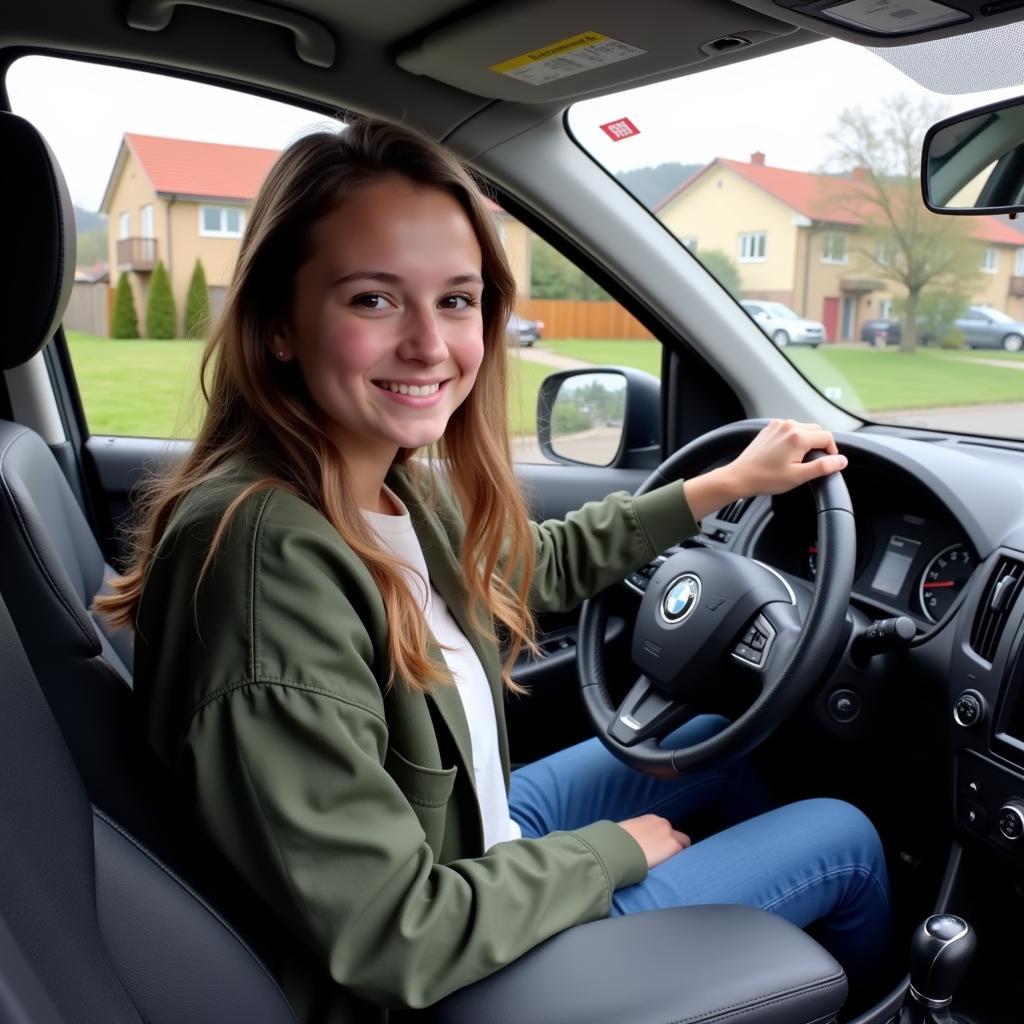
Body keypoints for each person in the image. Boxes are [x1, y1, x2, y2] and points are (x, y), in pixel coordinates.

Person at [96, 118, 890, 1021]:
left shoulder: (379, 482)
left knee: (717, 737)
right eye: (373, 300)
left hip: (468, 840)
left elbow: (529, 567)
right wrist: (610, 853)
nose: (432, 346)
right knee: (846, 838)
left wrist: (721, 487)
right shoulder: (268, 562)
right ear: (279, 324)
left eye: (458, 300)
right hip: (438, 967)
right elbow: (390, 933)